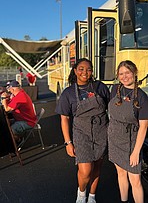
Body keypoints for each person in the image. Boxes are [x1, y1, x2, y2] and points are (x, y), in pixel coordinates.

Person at [56, 58, 110, 203]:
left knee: (97, 167)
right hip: (81, 133)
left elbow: (111, 107)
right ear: (75, 71)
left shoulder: (100, 87)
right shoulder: (68, 93)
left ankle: (92, 196)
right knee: (86, 170)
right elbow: (64, 119)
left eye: (88, 69)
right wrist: (68, 142)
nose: (85, 72)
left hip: (101, 130)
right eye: (81, 69)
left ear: (92, 71)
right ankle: (81, 193)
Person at [108, 60, 148, 203]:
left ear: (134, 74)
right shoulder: (115, 90)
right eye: (121, 73)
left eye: (127, 72)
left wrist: (135, 152)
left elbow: (143, 126)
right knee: (121, 173)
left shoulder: (141, 96)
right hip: (115, 138)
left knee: (135, 179)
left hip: (132, 141)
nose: (124, 76)